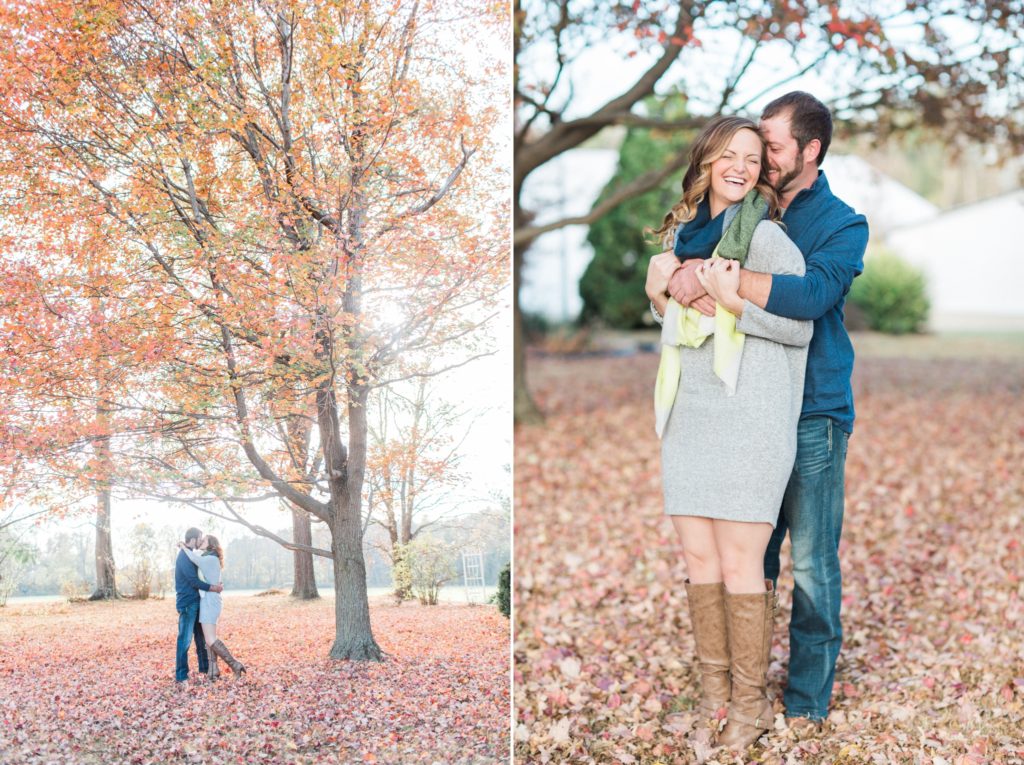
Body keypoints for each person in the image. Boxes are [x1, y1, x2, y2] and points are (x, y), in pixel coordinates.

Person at [667, 91, 869, 730]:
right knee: (753, 558)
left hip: (812, 408)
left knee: (809, 559)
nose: (761, 161)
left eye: (771, 149)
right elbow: (671, 282)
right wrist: (672, 276)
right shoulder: (735, 214)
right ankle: (740, 694)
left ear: (809, 151)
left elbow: (809, 296)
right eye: (751, 151)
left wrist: (716, 281)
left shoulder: (841, 223)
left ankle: (804, 702)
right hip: (741, 408)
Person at [644, 114, 813, 751]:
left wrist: (737, 302)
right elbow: (679, 328)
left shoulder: (767, 242)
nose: (740, 166)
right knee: (698, 560)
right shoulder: (683, 238)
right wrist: (661, 297)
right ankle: (715, 696)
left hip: (752, 419)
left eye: (751, 156)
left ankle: (752, 705)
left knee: (743, 562)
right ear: (706, 164)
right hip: (690, 414)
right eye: (727, 155)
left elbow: (799, 329)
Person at [178, 534, 247, 679]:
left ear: (211, 545)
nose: (201, 541)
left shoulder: (209, 559)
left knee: (210, 639)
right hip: (209, 600)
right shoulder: (210, 557)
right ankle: (213, 670)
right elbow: (196, 559)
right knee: (210, 637)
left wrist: (183, 547)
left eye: (204, 540)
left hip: (210, 601)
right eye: (200, 539)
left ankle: (235, 665)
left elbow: (194, 558)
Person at [175, 527, 222, 684]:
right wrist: (213, 588)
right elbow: (193, 581)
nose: (201, 541)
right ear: (193, 539)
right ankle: (181, 676)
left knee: (200, 639)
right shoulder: (184, 556)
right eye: (200, 538)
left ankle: (205, 668)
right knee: (185, 640)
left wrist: (215, 582)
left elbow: (206, 570)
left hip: (196, 601)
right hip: (188, 603)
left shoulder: (191, 554)